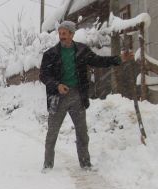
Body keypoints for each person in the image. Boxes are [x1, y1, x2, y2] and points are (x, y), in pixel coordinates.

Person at [40, 21, 133, 170]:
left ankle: (85, 163)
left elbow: (99, 61)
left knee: (82, 132)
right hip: (58, 98)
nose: (62, 36)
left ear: (72, 34)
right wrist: (57, 85)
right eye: (60, 33)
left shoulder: (82, 51)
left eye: (65, 33)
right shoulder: (50, 54)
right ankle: (48, 165)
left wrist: (119, 59)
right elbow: (44, 76)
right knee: (52, 133)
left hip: (77, 95)